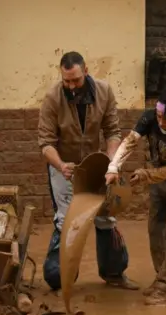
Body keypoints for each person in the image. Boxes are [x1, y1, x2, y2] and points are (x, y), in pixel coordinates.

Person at [38, 51, 139, 292]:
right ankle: (58, 277)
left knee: (105, 217)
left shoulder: (104, 91)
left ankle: (114, 273)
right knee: (66, 221)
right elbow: (45, 144)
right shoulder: (52, 97)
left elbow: (113, 130)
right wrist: (61, 165)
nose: (71, 87)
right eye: (66, 81)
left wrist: (111, 163)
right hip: (64, 167)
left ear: (86, 71)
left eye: (76, 80)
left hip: (97, 166)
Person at [105, 91, 166, 305]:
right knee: (155, 229)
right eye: (159, 115)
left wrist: (146, 174)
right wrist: (114, 167)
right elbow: (130, 141)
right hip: (156, 185)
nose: (161, 121)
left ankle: (165, 285)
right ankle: (163, 278)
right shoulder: (148, 118)